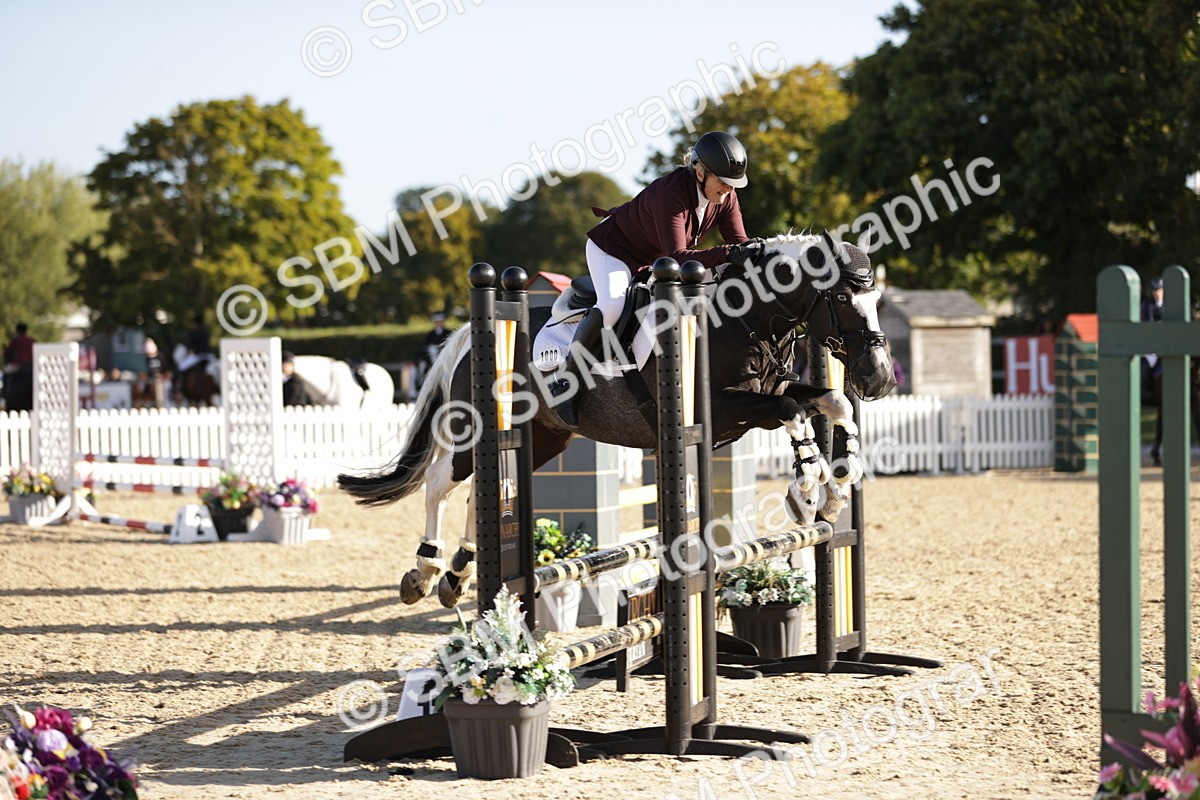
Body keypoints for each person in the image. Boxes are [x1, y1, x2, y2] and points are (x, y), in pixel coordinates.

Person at [552, 131, 761, 424]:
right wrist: (728, 253)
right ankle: (565, 383)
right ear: (700, 172)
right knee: (613, 305)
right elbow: (676, 257)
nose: (728, 189)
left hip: (654, 261)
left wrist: (759, 253)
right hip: (614, 250)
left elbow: (739, 242)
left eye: (733, 184)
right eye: (723, 182)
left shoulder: (726, 197)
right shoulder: (671, 193)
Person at [1141, 277, 1165, 466]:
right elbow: (1146, 324)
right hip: (1152, 347)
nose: (1157, 292)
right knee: (1147, 363)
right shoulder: (1147, 306)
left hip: (1167, 346)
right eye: (1155, 290)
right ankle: (1145, 389)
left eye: (1159, 289)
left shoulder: (1170, 306)